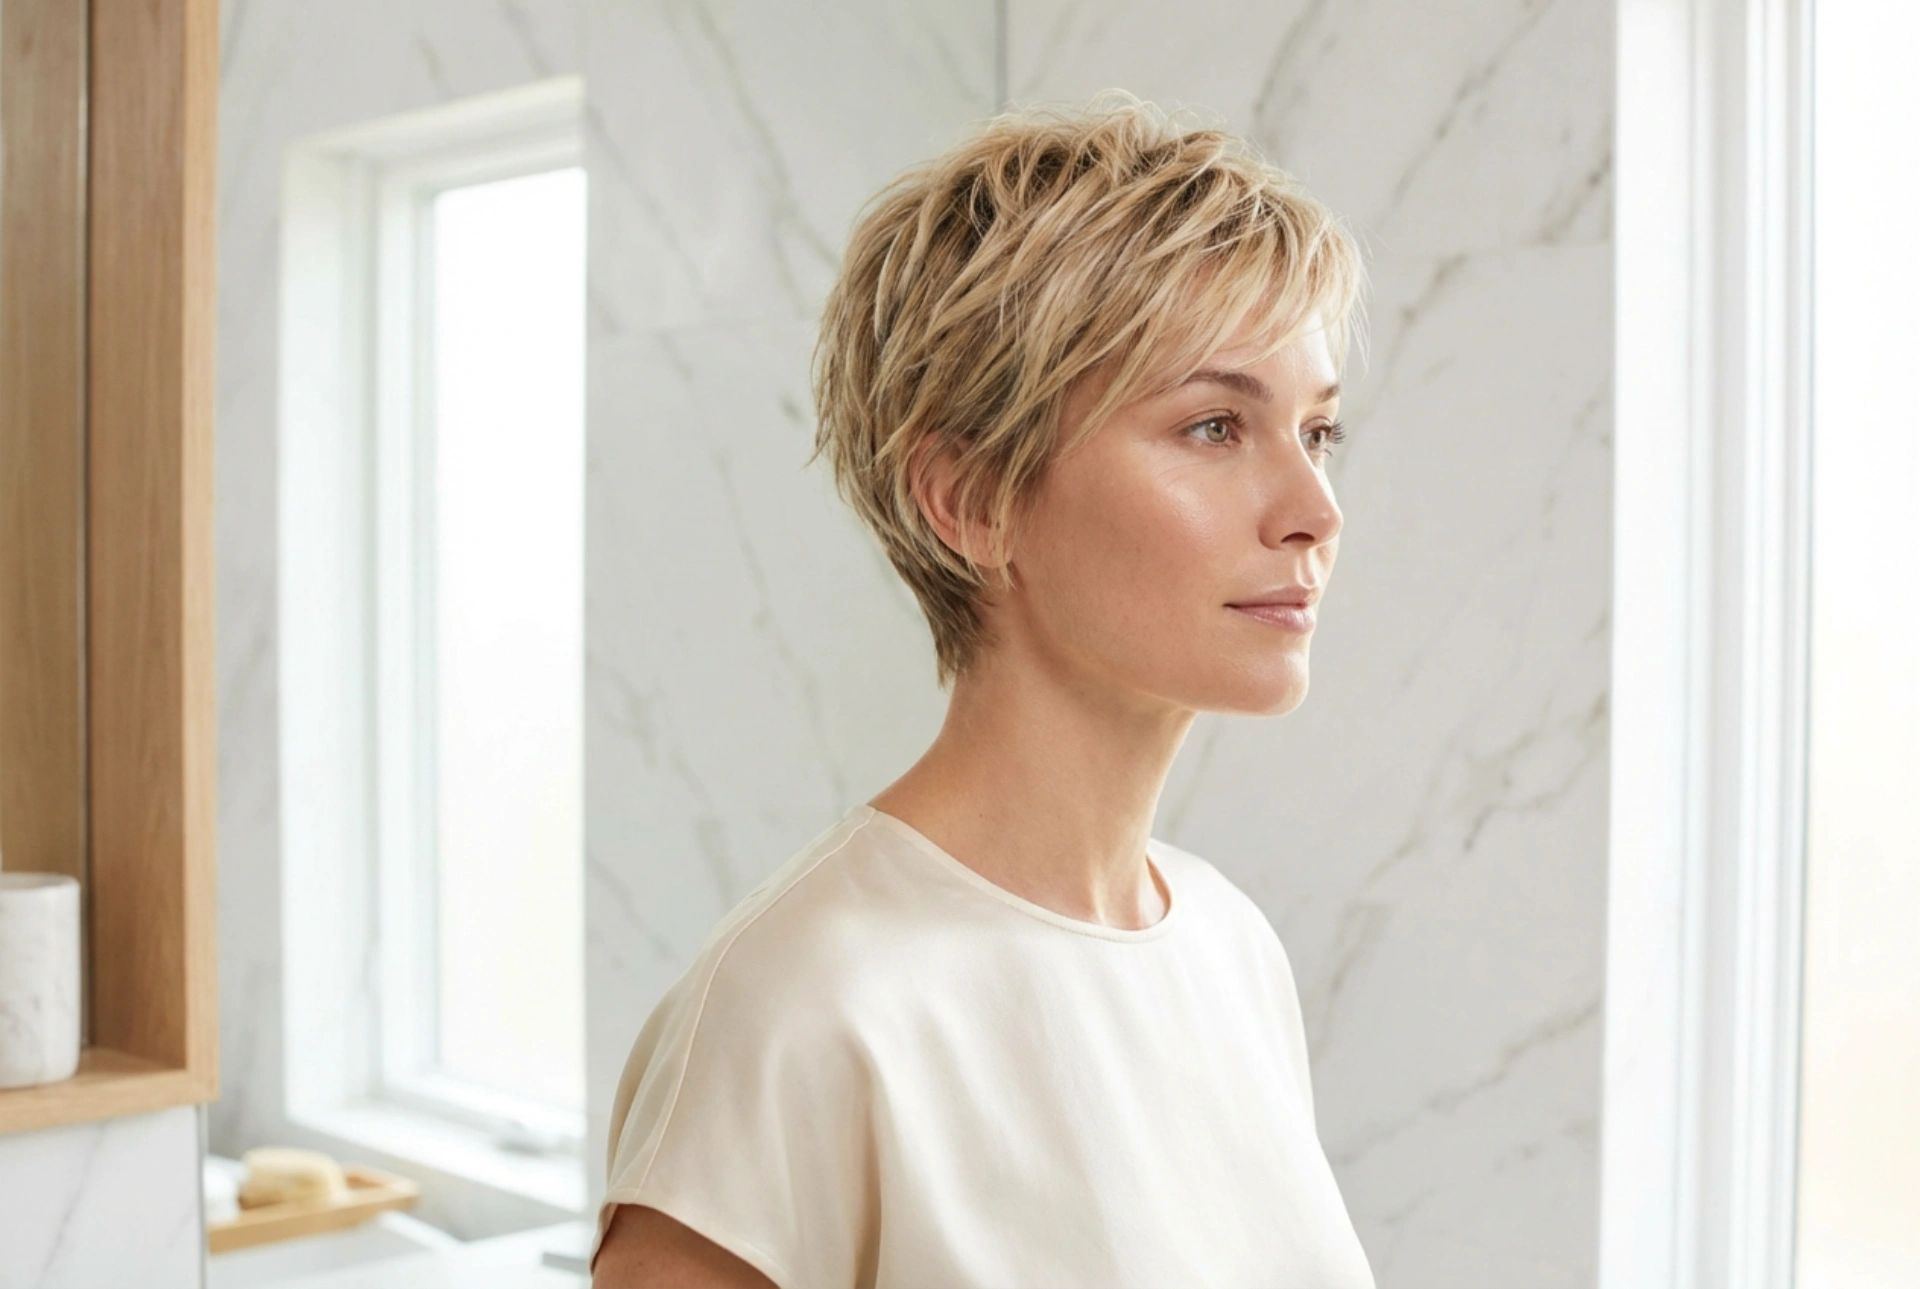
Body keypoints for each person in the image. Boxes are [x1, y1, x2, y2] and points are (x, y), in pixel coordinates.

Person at [590, 92, 1375, 1289]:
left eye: (1317, 432)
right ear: (969, 501)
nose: (1313, 511)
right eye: (1216, 426)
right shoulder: (800, 1014)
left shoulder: (1230, 950)